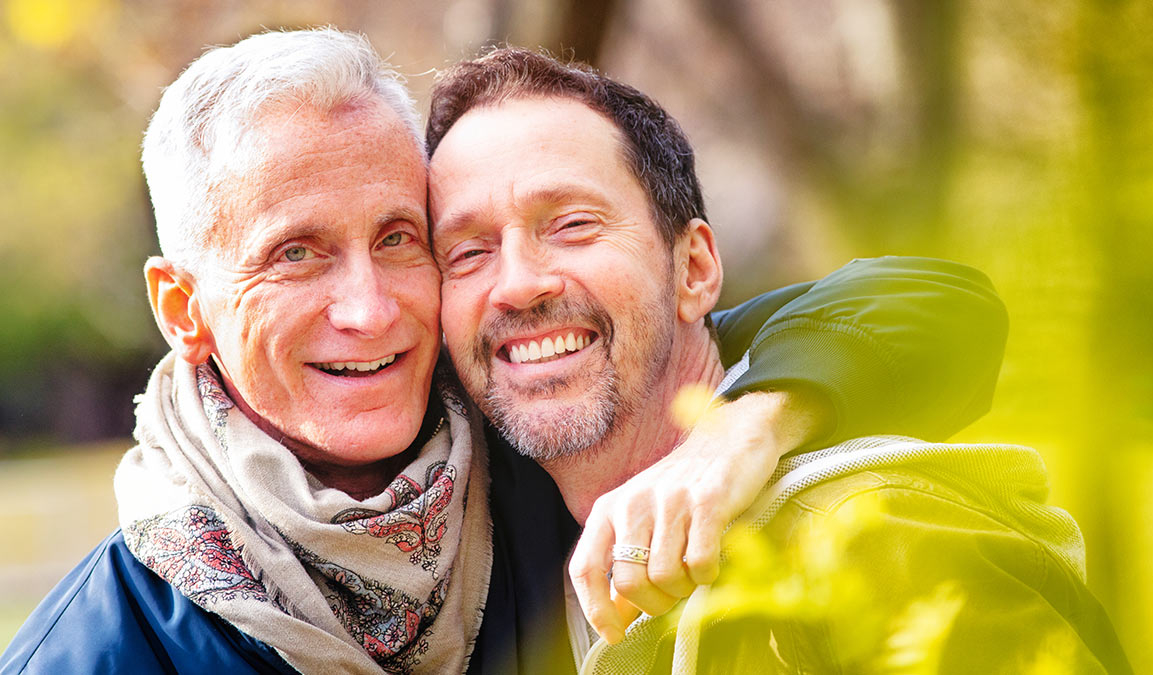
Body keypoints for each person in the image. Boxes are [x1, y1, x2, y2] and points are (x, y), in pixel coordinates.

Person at [1, 30, 1007, 675]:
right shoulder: (103, 650)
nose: (369, 307)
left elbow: (929, 305)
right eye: (295, 254)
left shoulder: (520, 434)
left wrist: (736, 436)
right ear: (184, 307)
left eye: (403, 239)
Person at [425, 47, 1134, 673]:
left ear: (695, 269)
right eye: (467, 251)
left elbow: (941, 298)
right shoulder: (473, 545)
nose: (517, 282)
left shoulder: (876, 534)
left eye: (573, 224)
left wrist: (742, 427)